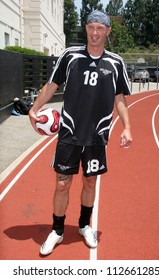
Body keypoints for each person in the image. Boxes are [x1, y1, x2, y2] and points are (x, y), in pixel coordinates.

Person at [29, 9, 133, 255]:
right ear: (85, 28)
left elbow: (120, 98)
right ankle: (57, 230)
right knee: (62, 183)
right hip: (69, 132)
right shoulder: (70, 56)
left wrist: (127, 127)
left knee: (90, 180)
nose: (95, 33)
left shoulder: (116, 62)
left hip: (97, 135)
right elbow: (51, 85)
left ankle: (85, 225)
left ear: (107, 32)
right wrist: (34, 109)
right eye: (91, 27)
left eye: (100, 28)